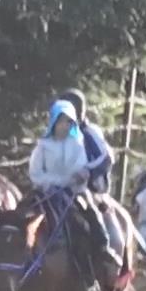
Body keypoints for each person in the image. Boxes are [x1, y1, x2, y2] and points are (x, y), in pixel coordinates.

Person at [28, 92, 120, 274]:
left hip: (78, 189)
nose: (64, 125)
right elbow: (35, 172)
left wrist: (82, 175)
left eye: (68, 120)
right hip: (47, 190)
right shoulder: (43, 145)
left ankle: (102, 247)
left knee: (89, 213)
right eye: (60, 120)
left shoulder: (81, 139)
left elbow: (100, 160)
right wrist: (51, 182)